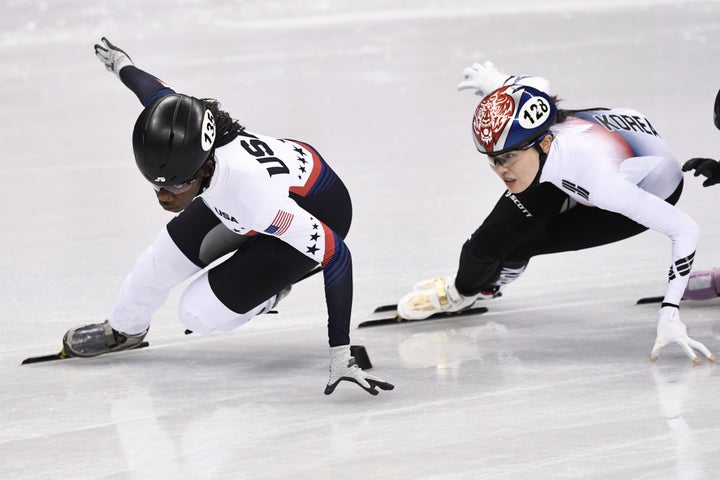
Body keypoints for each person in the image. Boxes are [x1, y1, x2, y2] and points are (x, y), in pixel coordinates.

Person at [61, 38, 394, 396]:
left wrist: (340, 352)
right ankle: (124, 331)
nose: (163, 195)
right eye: (156, 185)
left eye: (174, 186)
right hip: (252, 197)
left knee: (197, 314)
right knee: (154, 266)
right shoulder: (184, 124)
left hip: (316, 212)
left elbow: (336, 253)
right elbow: (152, 90)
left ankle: (267, 294)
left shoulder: (251, 197)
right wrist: (120, 62)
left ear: (202, 168)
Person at [397, 61, 716, 365]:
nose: (500, 170)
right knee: (497, 239)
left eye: (507, 157)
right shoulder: (539, 136)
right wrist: (501, 87)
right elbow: (537, 86)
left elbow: (685, 229)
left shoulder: (600, 183)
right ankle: (486, 280)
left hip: (649, 185)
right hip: (604, 141)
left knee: (513, 242)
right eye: (492, 158)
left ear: (544, 142)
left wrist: (669, 312)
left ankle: (464, 293)